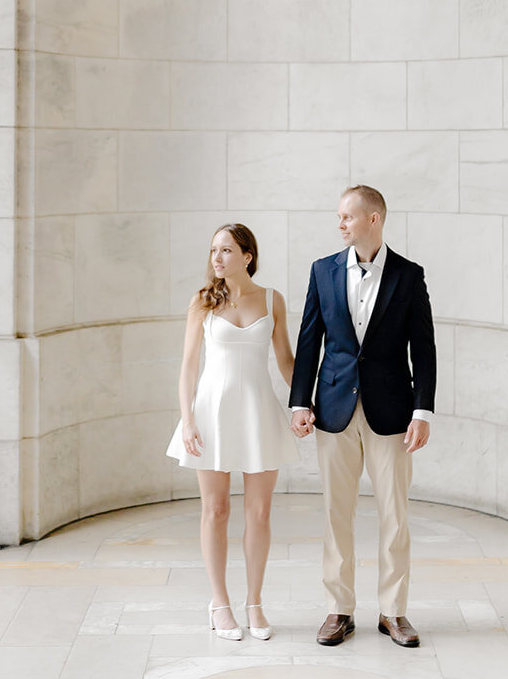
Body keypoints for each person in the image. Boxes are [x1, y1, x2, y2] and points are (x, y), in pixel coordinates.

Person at [289, 185, 436, 648]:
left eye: (347, 217)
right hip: (332, 409)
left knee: (395, 513)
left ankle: (394, 612)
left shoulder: (409, 276)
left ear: (374, 219)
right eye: (339, 217)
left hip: (392, 411)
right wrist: (299, 401)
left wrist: (422, 409)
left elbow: (424, 349)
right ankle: (339, 610)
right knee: (337, 513)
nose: (340, 225)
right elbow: (309, 338)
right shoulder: (322, 271)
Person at [167, 222, 298, 640]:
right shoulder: (202, 302)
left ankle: (254, 602)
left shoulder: (273, 300)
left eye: (226, 250)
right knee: (216, 510)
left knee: (259, 512)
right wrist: (187, 419)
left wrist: (304, 404)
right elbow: (188, 366)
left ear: (247, 256)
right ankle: (219, 603)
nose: (217, 259)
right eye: (213, 251)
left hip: (258, 411)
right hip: (212, 413)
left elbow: (286, 361)